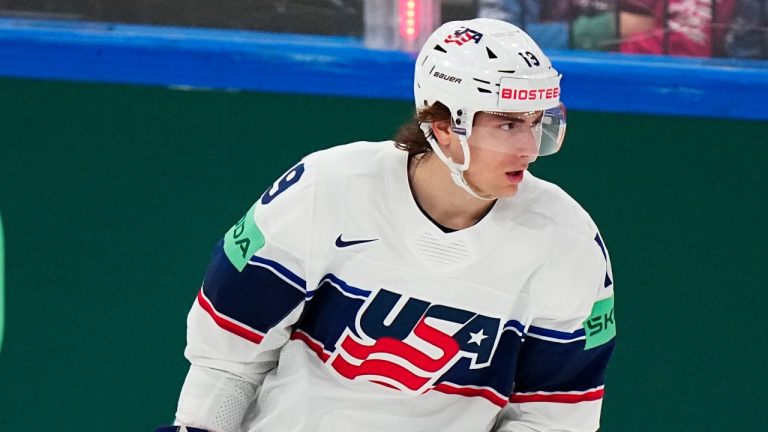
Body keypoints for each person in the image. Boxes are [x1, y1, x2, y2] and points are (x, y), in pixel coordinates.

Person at [156, 18, 616, 432]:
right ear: (441, 127)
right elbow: (230, 352)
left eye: (538, 124)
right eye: (507, 125)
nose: (530, 149)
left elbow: (553, 418)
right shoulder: (327, 186)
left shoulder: (568, 241)